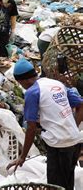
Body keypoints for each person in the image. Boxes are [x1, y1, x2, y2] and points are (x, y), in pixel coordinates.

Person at [8, 58, 83, 190]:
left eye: (20, 83)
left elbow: (30, 128)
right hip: (75, 141)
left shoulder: (32, 92)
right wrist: (73, 127)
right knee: (67, 182)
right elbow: (80, 105)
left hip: (60, 145)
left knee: (55, 186)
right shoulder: (55, 83)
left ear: (23, 80)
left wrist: (22, 157)